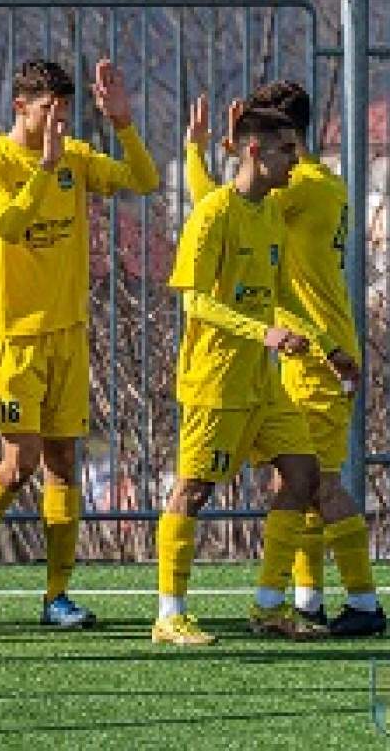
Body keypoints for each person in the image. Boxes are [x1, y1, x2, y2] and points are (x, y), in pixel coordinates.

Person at [0, 57, 159, 626]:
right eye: (49, 110)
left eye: (65, 112)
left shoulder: (75, 158)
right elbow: (10, 226)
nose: (58, 122)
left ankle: (56, 595)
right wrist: (44, 172)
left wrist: (121, 123)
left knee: (64, 464)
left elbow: (144, 181)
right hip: (14, 336)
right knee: (18, 463)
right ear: (21, 106)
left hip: (68, 334)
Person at [154, 105, 360, 645]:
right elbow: (195, 301)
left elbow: (283, 294)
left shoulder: (270, 213)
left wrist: (329, 345)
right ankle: (169, 613)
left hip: (263, 383)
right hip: (216, 380)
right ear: (254, 151)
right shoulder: (214, 214)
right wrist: (261, 333)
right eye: (286, 150)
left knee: (304, 477)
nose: (296, 160)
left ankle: (270, 606)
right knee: (193, 491)